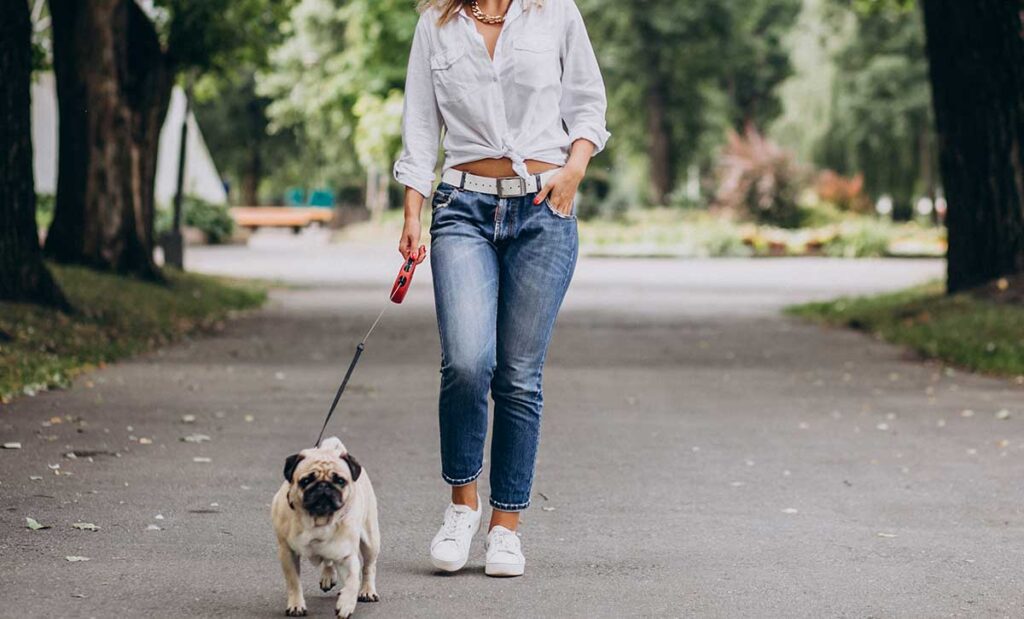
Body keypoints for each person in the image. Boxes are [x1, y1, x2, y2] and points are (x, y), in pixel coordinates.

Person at [393, 0, 609, 577]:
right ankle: (462, 506)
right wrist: (413, 214)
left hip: (544, 211)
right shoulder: (435, 25)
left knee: (518, 375)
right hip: (462, 208)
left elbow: (588, 106)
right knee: (466, 362)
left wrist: (573, 171)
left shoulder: (556, 13)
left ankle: (506, 528)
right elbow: (419, 127)